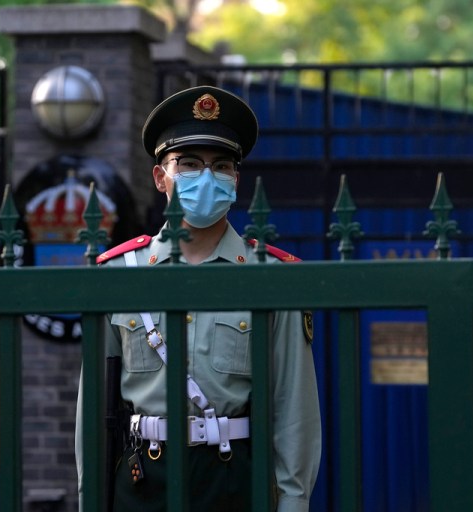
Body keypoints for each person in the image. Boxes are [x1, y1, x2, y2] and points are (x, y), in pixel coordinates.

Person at [75, 85, 321, 512]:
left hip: (232, 479)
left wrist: (293, 504)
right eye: (188, 164)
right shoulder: (119, 274)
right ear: (160, 177)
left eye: (221, 166)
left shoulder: (270, 278)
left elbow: (293, 410)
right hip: (142, 478)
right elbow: (92, 412)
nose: (206, 178)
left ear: (236, 180)